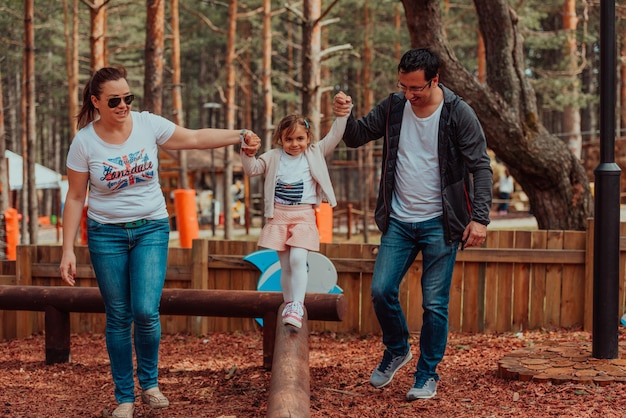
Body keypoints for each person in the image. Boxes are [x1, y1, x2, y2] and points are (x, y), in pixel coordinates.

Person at [58, 65, 260, 418]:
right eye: (115, 100)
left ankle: (149, 383)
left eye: (128, 98)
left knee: (145, 312)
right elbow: (75, 197)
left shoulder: (148, 124)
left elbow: (195, 138)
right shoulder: (84, 142)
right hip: (106, 234)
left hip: (151, 228)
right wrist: (67, 250)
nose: (124, 106)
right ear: (96, 102)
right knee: (119, 315)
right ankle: (125, 397)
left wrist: (239, 133)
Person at [333, 48, 492, 401]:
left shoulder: (458, 113)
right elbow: (357, 135)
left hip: (442, 222)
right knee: (381, 290)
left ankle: (427, 373)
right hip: (400, 220)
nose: (409, 94)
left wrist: (479, 218)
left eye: (416, 88)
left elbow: (480, 166)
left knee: (434, 303)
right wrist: (345, 115)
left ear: (435, 80)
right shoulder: (393, 107)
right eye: (404, 86)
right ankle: (397, 348)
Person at [241, 93, 352, 328]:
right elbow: (252, 170)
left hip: (303, 216)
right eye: (289, 139)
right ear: (281, 139)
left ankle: (297, 306)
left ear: (308, 137)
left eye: (300, 138)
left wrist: (342, 115)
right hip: (279, 216)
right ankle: (289, 302)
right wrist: (247, 153)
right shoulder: (273, 157)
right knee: (287, 265)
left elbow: (334, 135)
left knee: (299, 258)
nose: (295, 144)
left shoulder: (314, 153)